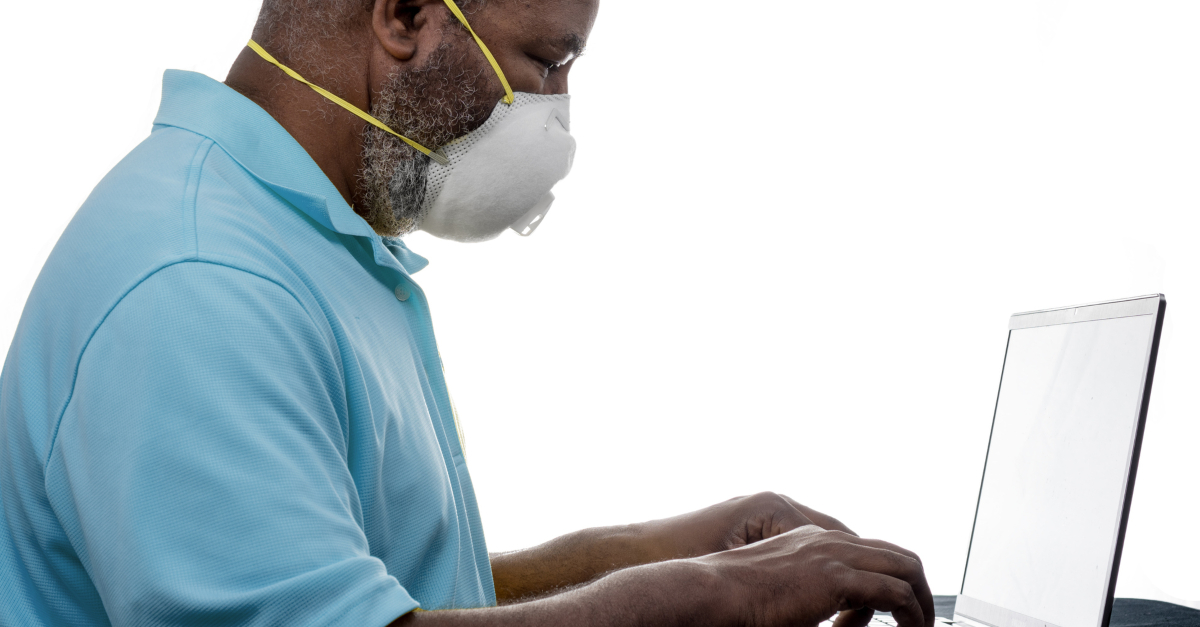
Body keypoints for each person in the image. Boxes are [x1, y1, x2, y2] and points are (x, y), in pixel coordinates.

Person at [0, 1, 934, 625]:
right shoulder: (201, 282)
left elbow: (376, 591)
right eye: (548, 58)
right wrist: (715, 595)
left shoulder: (316, 238)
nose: (556, 113)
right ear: (405, 14)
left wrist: (672, 545)